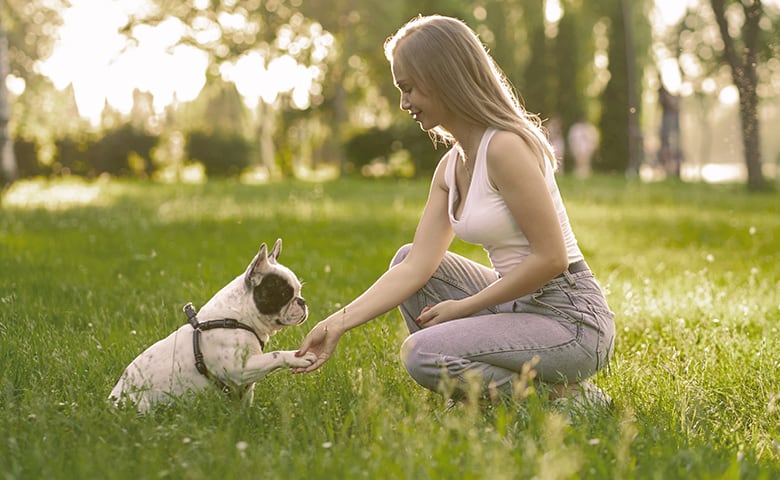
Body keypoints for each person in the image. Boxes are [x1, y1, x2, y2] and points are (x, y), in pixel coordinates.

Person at [294, 15, 615, 408]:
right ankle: (475, 394)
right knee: (407, 258)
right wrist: (336, 323)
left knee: (421, 353)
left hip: (571, 320)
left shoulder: (505, 148)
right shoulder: (451, 166)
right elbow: (416, 270)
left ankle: (564, 398)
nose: (403, 103)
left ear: (444, 77)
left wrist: (462, 309)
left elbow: (551, 258)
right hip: (519, 303)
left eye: (409, 88)